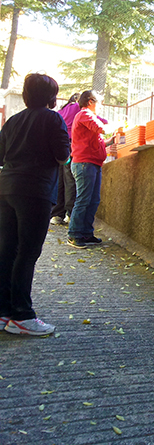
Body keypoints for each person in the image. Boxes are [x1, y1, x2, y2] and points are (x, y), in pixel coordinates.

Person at [0, 73, 70, 336]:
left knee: (7, 250)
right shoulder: (53, 119)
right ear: (52, 96)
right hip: (36, 191)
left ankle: (3, 312)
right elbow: (63, 156)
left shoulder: (13, 120)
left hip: (6, 189)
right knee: (27, 253)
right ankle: (22, 315)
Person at [68, 90, 113, 249]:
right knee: (83, 199)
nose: (101, 106)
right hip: (84, 163)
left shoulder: (87, 117)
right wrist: (115, 126)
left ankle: (86, 233)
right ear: (90, 102)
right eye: (99, 102)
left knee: (93, 200)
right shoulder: (85, 114)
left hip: (92, 163)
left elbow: (97, 140)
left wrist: (109, 142)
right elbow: (101, 128)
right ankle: (74, 234)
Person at [49, 93, 80, 226]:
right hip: (71, 144)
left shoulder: (61, 110)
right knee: (70, 180)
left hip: (59, 145)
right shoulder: (77, 107)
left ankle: (57, 214)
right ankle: (70, 213)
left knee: (60, 180)